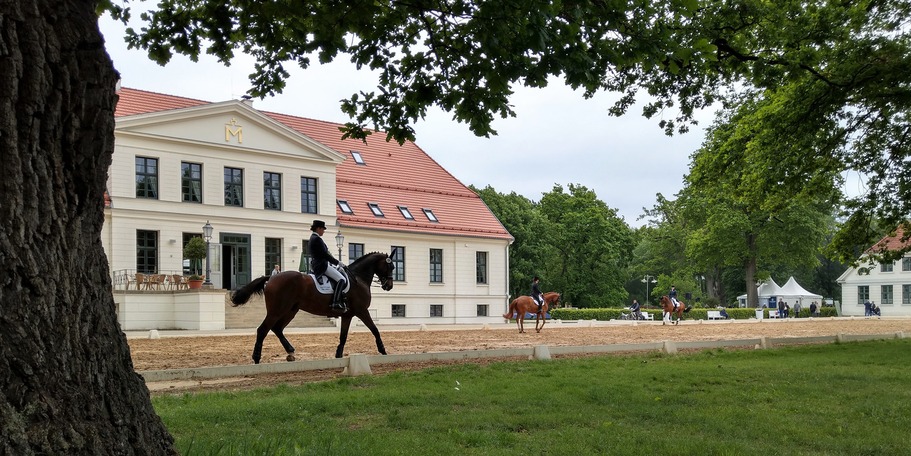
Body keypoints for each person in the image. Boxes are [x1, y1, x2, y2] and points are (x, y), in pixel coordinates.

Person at [307, 220, 347, 311]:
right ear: (318, 228)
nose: (323, 231)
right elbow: (325, 255)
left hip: (317, 263)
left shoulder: (312, 238)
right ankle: (336, 302)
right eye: (323, 229)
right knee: (342, 279)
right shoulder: (317, 239)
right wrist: (338, 263)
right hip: (321, 265)